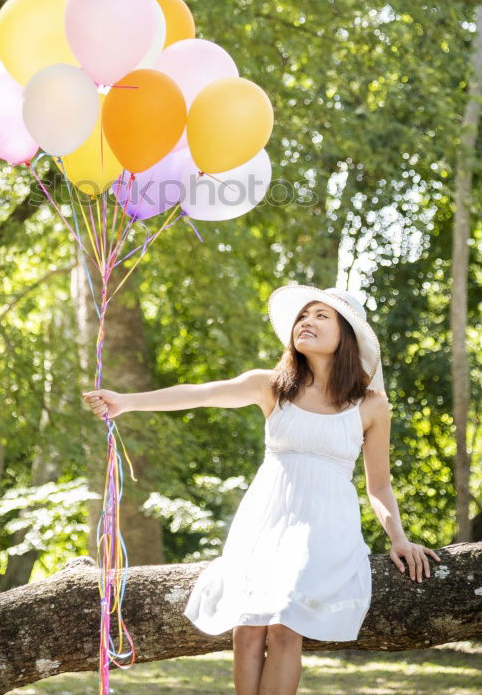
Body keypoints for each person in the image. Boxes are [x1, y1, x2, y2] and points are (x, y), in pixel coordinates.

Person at [82, 284, 442, 695]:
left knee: (286, 628)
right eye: (303, 315)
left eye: (321, 316)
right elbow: (200, 394)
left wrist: (399, 537)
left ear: (347, 335)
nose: (306, 321)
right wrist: (125, 401)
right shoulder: (272, 386)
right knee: (247, 629)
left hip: (325, 528)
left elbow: (379, 484)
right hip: (266, 522)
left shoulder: (371, 405)